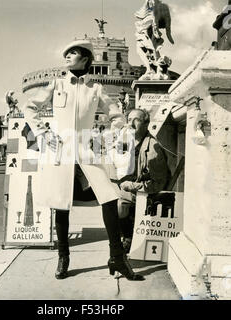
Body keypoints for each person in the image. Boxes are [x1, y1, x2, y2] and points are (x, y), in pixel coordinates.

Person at [24, 39, 144, 281]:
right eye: (66, 52)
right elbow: (29, 107)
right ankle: (63, 257)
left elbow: (117, 116)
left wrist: (106, 136)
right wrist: (43, 132)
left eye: (73, 53)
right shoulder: (56, 84)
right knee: (61, 205)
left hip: (87, 151)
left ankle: (117, 257)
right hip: (62, 152)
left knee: (109, 198)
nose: (67, 56)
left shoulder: (96, 89)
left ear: (86, 59)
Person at [118, 108, 171, 253]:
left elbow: (157, 183)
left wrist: (132, 186)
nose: (132, 124)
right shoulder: (127, 142)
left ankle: (127, 239)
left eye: (137, 120)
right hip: (130, 185)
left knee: (119, 203)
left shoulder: (153, 148)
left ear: (147, 123)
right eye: (129, 120)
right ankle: (123, 237)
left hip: (147, 192)